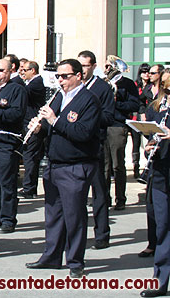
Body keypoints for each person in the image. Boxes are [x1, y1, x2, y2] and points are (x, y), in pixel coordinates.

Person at [25, 59, 101, 279]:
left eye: (65, 76)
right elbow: (52, 127)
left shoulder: (89, 100)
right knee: (54, 215)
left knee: (74, 216)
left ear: (79, 75)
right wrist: (40, 127)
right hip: (55, 163)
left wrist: (54, 120)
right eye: (58, 76)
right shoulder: (59, 96)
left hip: (76, 165)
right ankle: (51, 256)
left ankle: (76, 261)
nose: (61, 80)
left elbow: (82, 133)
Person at [77, 50, 115, 251]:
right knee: (77, 194)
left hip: (95, 144)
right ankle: (78, 235)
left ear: (93, 66)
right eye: (79, 65)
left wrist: (89, 117)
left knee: (99, 192)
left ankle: (102, 234)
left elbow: (109, 117)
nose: (82, 70)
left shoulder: (102, 88)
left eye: (85, 66)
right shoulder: (72, 86)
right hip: (75, 146)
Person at [140, 72, 170, 298]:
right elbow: (151, 138)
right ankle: (160, 280)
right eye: (165, 90)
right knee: (163, 229)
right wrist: (148, 147)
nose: (167, 95)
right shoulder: (156, 110)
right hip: (161, 175)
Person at [0, 58, 27, 233]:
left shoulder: (17, 89)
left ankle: (8, 219)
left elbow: (16, 114)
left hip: (6, 143)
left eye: (1, 70)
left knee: (7, 183)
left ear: (10, 71)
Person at [104, 56, 139, 210]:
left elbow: (134, 104)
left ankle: (120, 199)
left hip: (117, 125)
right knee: (104, 165)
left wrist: (115, 102)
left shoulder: (127, 84)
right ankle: (104, 198)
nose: (106, 69)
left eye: (108, 66)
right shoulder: (103, 83)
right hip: (103, 125)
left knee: (118, 164)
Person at [18, 60, 46, 199]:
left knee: (30, 156)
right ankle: (29, 186)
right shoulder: (31, 82)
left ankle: (29, 188)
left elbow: (23, 92)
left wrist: (17, 78)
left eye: (25, 70)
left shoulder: (36, 83)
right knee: (29, 155)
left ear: (33, 71)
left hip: (34, 124)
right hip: (27, 122)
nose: (22, 73)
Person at [133, 63, 152, 179]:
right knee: (136, 143)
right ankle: (136, 166)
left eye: (148, 72)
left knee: (148, 142)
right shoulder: (136, 85)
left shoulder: (151, 86)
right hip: (136, 117)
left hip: (148, 117)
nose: (146, 74)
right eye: (144, 72)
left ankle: (147, 167)